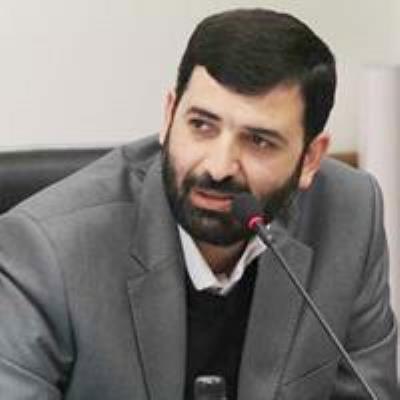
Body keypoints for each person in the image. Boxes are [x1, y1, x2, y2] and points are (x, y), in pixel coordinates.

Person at [0, 8, 397, 400]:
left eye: (259, 141)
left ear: (310, 158)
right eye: (202, 125)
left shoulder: (349, 214)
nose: (219, 167)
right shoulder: (48, 251)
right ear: (169, 116)